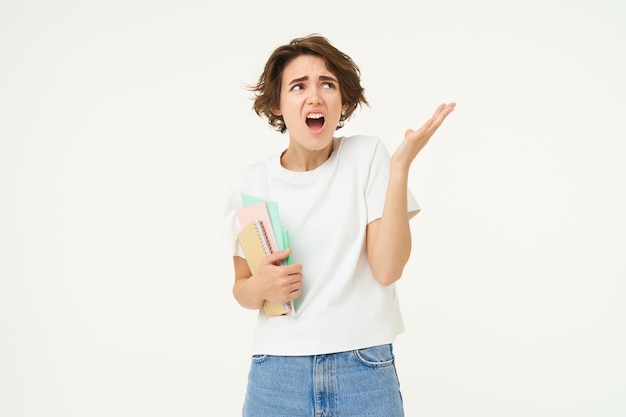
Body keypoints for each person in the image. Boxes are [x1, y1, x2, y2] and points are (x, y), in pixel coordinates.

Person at [223, 34, 455, 417]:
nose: (314, 97)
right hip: (277, 374)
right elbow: (242, 290)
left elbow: (387, 269)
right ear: (278, 105)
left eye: (327, 84)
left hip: (363, 370)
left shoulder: (368, 158)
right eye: (299, 86)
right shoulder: (249, 184)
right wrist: (261, 286)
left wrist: (399, 170)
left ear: (343, 102)